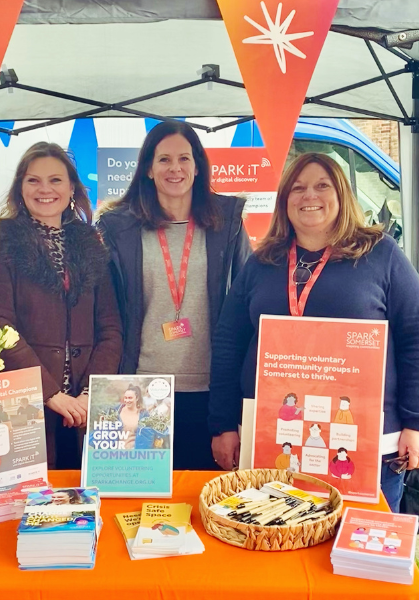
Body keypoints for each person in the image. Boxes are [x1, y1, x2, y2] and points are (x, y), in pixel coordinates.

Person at [208, 152, 419, 512]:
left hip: (365, 441)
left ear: (341, 194)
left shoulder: (380, 254)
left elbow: (418, 338)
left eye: (322, 185)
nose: (309, 196)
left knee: (358, 539)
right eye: (297, 188)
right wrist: (223, 424)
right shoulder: (262, 262)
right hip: (273, 437)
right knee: (277, 533)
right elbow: (228, 343)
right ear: (285, 200)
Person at [97, 121, 251, 470]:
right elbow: (104, 312)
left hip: (211, 392)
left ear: (197, 167)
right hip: (140, 389)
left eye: (184, 158)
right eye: (164, 159)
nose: (175, 168)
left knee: (204, 495)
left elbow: (245, 306)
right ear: (148, 169)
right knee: (142, 496)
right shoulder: (118, 228)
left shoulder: (228, 223)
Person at [0, 142, 122, 469]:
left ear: (71, 188)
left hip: (85, 407)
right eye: (33, 180)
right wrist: (50, 393)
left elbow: (110, 327)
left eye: (55, 180)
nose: (45, 189)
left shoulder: (91, 243)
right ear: (20, 188)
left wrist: (90, 394)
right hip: (24, 406)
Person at [113, 385, 149, 450]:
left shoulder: (143, 414)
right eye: (125, 398)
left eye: (130, 398)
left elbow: (148, 435)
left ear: (137, 398)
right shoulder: (117, 410)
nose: (127, 400)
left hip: (134, 451)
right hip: (117, 451)